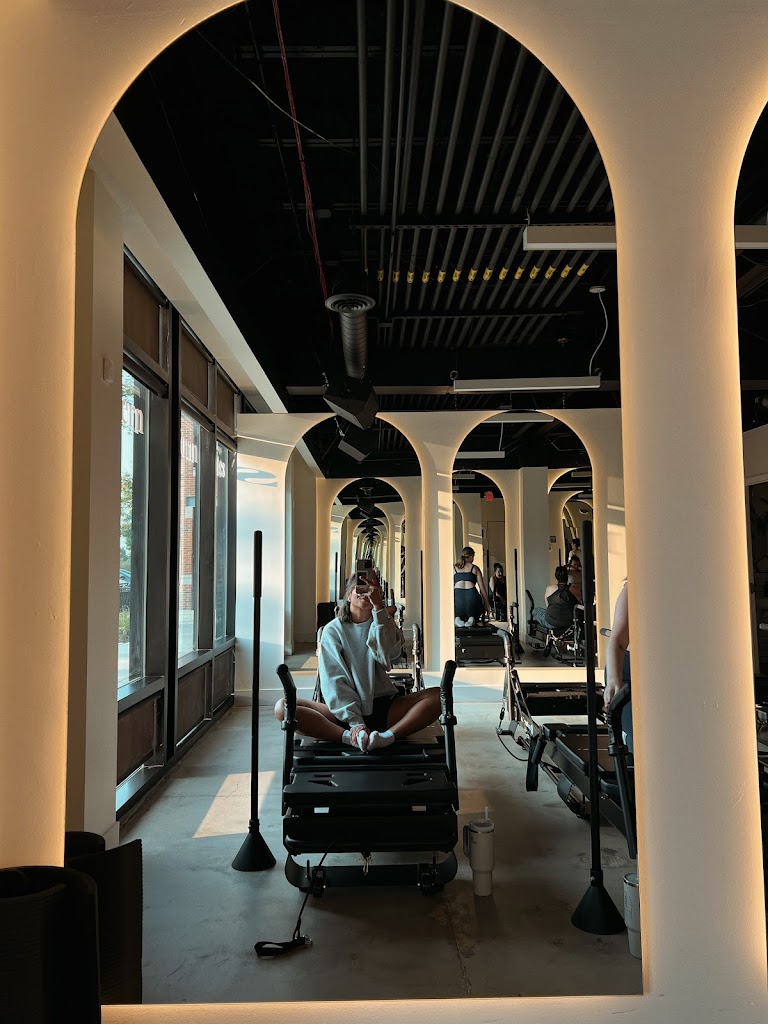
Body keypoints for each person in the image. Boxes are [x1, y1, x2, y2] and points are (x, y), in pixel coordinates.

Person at [274, 573, 441, 752]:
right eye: (360, 589)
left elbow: (388, 656)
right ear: (348, 595)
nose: (365, 594)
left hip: (383, 707)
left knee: (440, 696)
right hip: (343, 713)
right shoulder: (333, 630)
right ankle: (349, 738)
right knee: (283, 708)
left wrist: (379, 609)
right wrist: (355, 723)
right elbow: (334, 679)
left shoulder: (384, 622)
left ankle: (387, 737)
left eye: (371, 590)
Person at [603, 578, 632, 751]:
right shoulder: (634, 587)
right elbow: (619, 640)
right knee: (638, 740)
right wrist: (614, 681)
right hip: (627, 670)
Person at [532, 565, 580, 631]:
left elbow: (548, 606)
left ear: (556, 577)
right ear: (567, 577)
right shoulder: (575, 590)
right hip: (570, 622)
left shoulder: (549, 589)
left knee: (535, 611)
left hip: (552, 622)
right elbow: (580, 604)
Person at [453, 545, 492, 627]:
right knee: (473, 612)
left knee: (457, 612)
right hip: (472, 596)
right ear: (471, 557)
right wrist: (487, 605)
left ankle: (457, 618)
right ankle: (472, 618)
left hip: (458, 596)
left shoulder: (454, 568)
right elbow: (482, 588)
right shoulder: (475, 568)